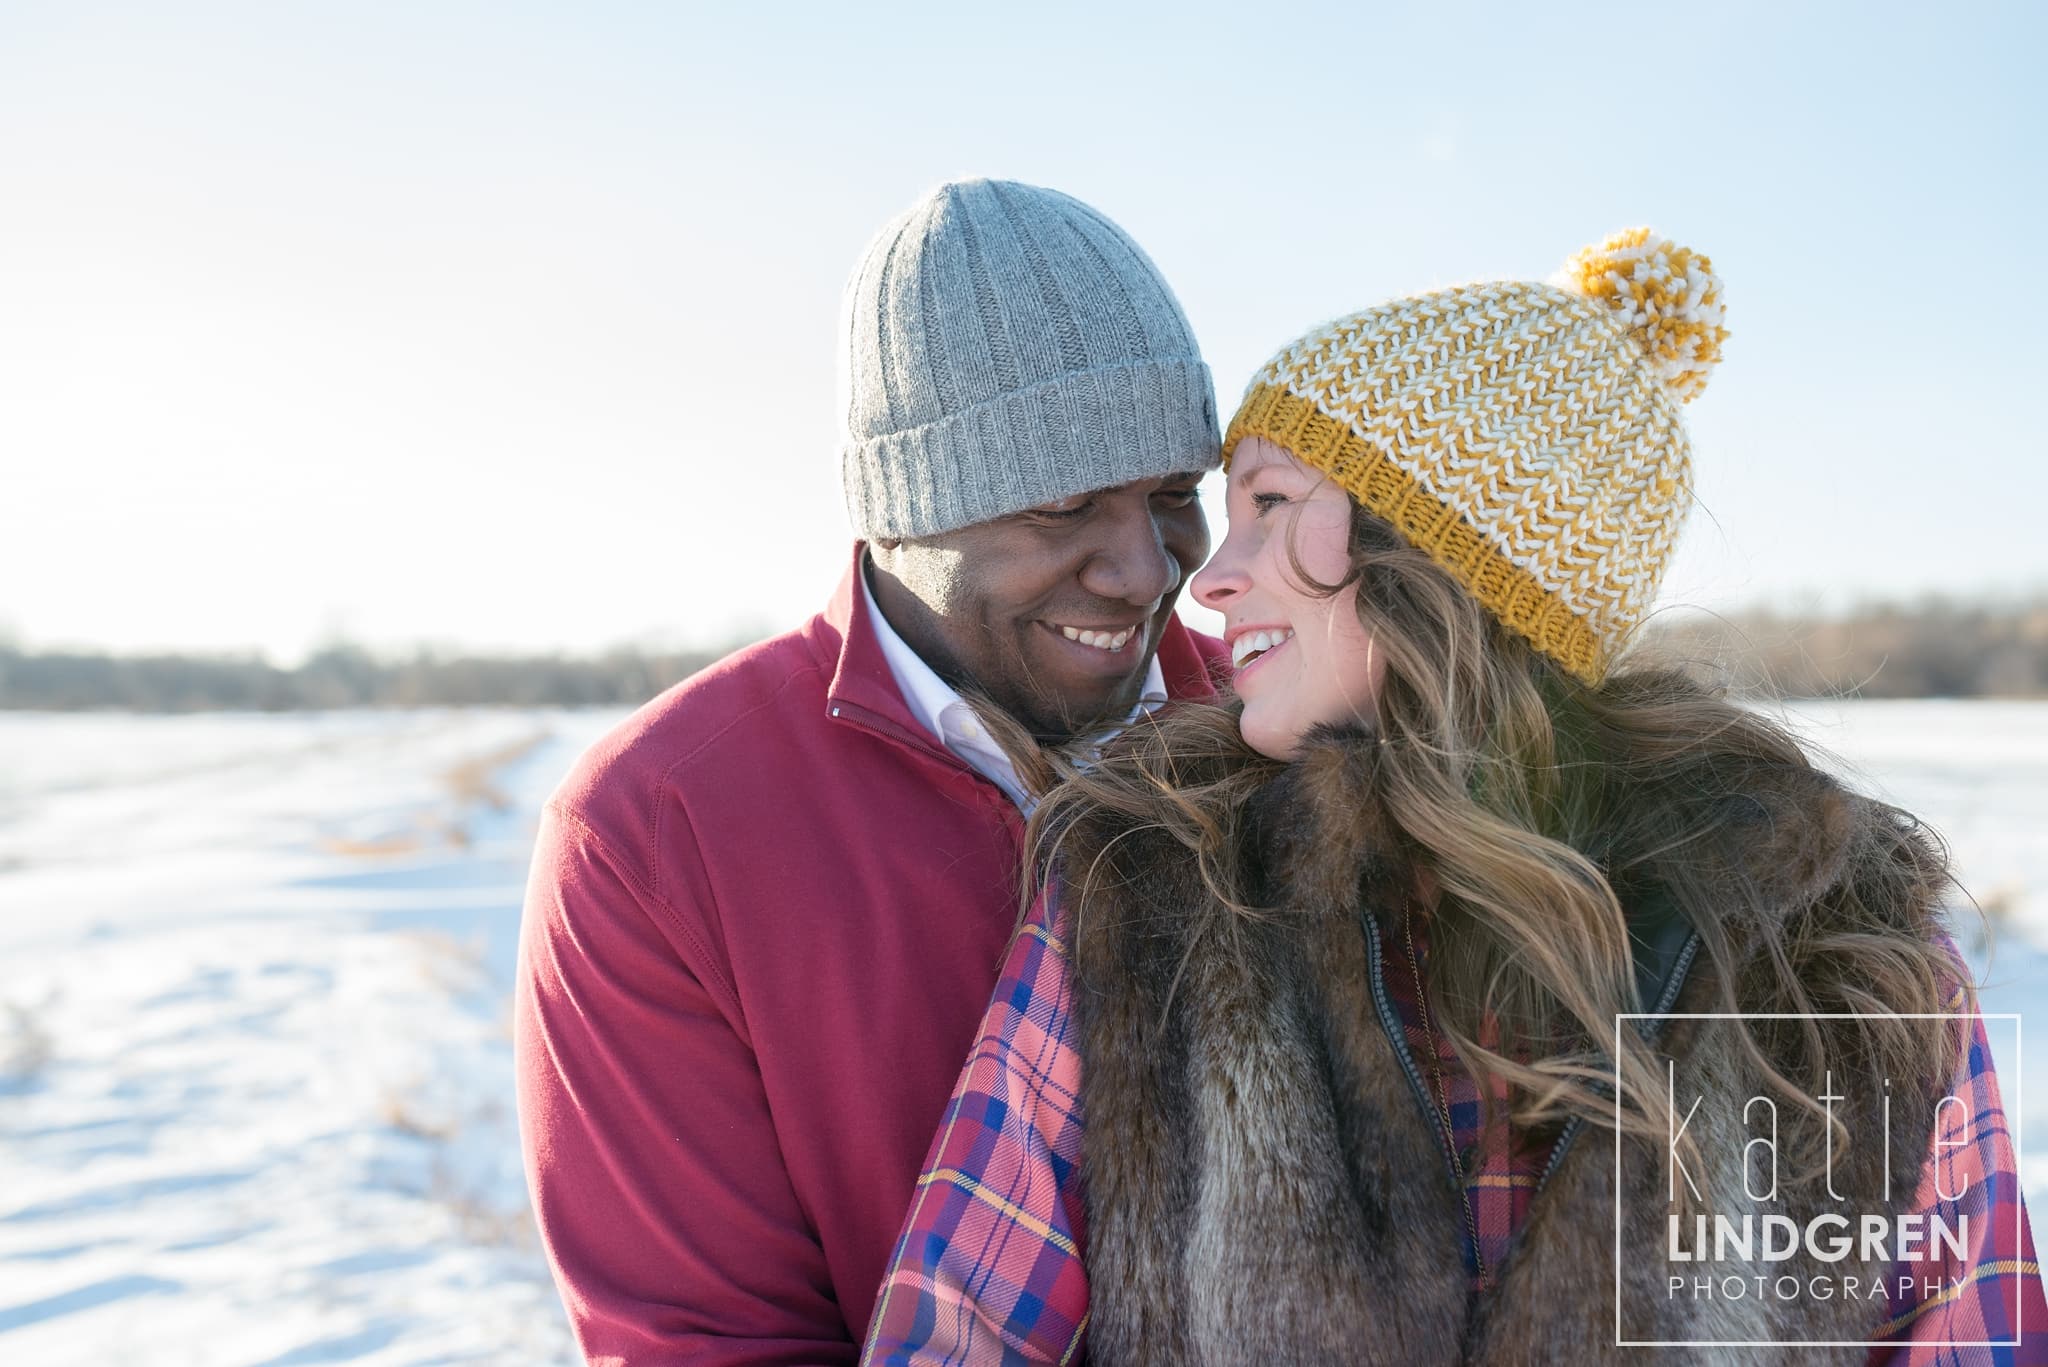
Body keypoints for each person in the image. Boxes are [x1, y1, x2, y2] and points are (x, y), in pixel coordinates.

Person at [864, 231, 2047, 1364]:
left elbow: (1973, 1333)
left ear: (1445, 556)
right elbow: (955, 1330)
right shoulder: (1150, 893)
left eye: (1271, 505)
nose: (1207, 582)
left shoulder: (1829, 949)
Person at [512, 178, 1230, 1365]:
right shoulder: (660, 827)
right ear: (899, 508)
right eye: (1062, 504)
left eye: (1171, 495)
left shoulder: (1284, 723)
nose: (1146, 569)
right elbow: (702, 1338)